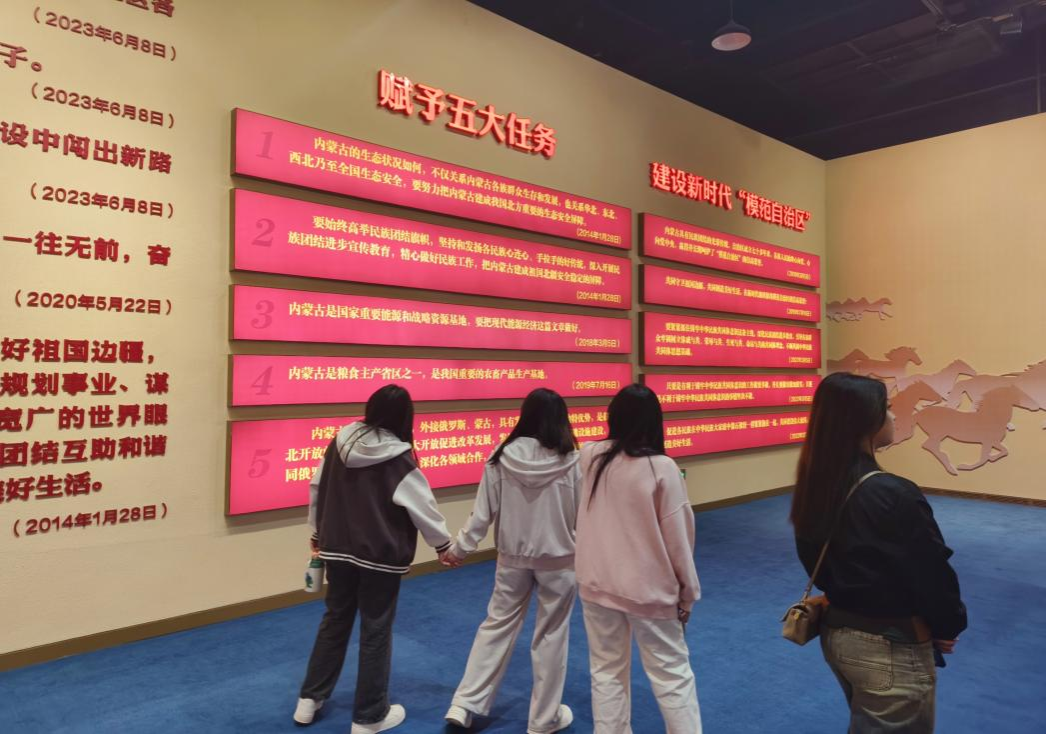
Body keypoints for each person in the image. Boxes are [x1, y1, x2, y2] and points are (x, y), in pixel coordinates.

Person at [791, 372, 967, 733]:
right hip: (890, 645)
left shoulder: (815, 486)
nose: (894, 416)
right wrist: (948, 625)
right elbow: (931, 572)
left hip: (837, 633)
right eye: (886, 408)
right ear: (864, 421)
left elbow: (813, 559)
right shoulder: (894, 493)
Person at [293, 385, 452, 734]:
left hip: (336, 547)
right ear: (405, 416)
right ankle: (369, 716)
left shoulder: (339, 442)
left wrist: (317, 532)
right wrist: (443, 544)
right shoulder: (400, 457)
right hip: (380, 556)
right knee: (375, 630)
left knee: (335, 620)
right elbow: (422, 505)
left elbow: (317, 487)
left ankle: (309, 700)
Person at [442, 388, 580, 734]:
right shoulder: (573, 461)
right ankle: (543, 719)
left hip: (512, 559)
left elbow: (481, 515)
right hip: (560, 561)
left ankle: (464, 704)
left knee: (496, 626)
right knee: (551, 635)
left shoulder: (501, 457)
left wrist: (460, 549)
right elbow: (585, 516)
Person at [575, 383, 702, 734]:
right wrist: (688, 593)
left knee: (606, 671)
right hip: (649, 591)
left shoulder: (590, 456)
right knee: (671, 674)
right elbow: (679, 540)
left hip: (596, 583)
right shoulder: (661, 467)